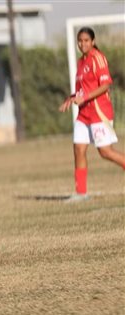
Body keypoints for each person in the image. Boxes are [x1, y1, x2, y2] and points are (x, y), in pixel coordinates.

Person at [59, 26, 125, 201]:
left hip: (99, 112)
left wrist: (85, 97)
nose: (82, 44)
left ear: (93, 42)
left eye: (86, 40)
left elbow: (105, 85)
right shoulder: (81, 62)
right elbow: (82, 91)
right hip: (83, 114)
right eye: (80, 41)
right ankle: (81, 193)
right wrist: (71, 98)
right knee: (78, 149)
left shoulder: (98, 58)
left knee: (105, 152)